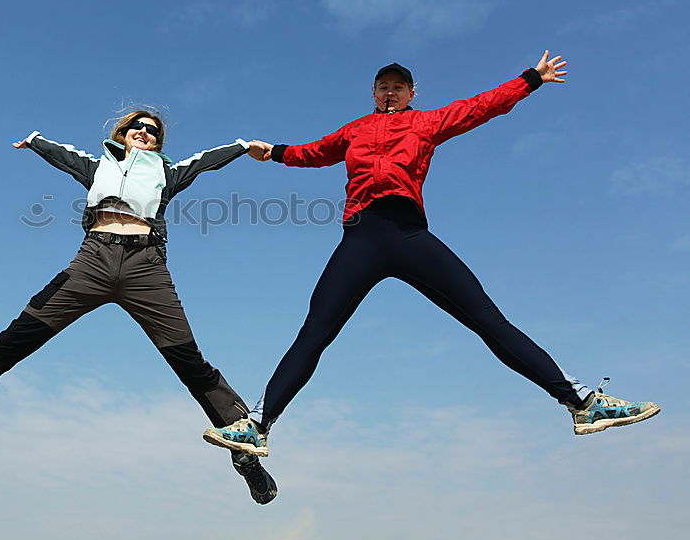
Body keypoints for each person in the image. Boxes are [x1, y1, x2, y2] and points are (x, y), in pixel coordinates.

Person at [203, 52, 660, 459]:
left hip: (408, 235)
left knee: (489, 321)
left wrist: (530, 79)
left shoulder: (425, 122)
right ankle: (259, 426)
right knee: (315, 331)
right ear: (373, 92)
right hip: (361, 237)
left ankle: (581, 404)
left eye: (398, 86)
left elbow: (480, 107)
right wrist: (276, 153)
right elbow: (315, 152)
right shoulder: (355, 129)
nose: (390, 91)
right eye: (384, 85)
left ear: (411, 93)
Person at [0, 110, 278, 504]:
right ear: (121, 134)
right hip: (92, 263)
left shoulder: (166, 173)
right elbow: (64, 156)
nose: (144, 132)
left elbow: (205, 161)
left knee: (189, 360)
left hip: (147, 269)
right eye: (136, 127)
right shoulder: (100, 167)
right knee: (16, 339)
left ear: (158, 141)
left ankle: (242, 445)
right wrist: (36, 140)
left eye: (152, 130)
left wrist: (243, 146)